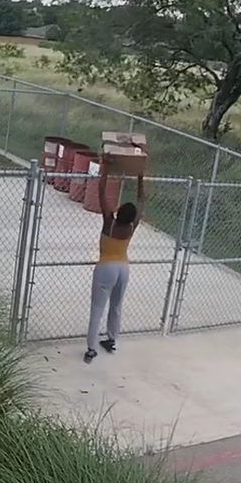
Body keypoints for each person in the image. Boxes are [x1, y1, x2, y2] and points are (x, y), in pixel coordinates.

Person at [85, 156, 145, 364]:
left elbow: (101, 192)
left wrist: (107, 169)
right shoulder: (130, 227)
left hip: (106, 268)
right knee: (116, 305)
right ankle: (111, 339)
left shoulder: (109, 222)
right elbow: (141, 201)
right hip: (123, 268)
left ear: (119, 212)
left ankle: (91, 348)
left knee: (97, 308)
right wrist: (140, 175)